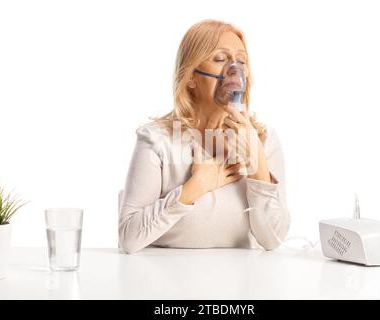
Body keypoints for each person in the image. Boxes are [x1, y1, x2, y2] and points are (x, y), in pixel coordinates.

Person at [118, 19, 290, 254]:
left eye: (242, 61)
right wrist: (196, 187)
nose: (234, 69)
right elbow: (129, 238)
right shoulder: (158, 140)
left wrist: (258, 165)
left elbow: (273, 240)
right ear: (191, 77)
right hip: (164, 282)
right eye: (220, 59)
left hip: (242, 285)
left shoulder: (263, 139)